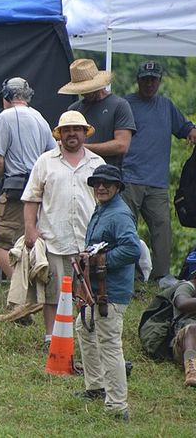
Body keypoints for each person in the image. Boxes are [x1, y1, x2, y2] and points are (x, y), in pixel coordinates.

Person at [22, 111, 104, 349]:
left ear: (84, 133)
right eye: (66, 130)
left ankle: (84, 337)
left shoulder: (97, 163)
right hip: (54, 238)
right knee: (53, 292)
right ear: (59, 134)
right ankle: (51, 338)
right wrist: (30, 228)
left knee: (87, 292)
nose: (71, 134)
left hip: (88, 240)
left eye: (76, 129)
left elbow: (105, 201)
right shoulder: (45, 161)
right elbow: (32, 198)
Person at [74, 165, 140, 421]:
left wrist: (101, 261)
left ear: (118, 187)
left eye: (107, 183)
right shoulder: (102, 209)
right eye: (97, 182)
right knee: (84, 328)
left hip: (109, 292)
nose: (101, 187)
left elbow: (132, 249)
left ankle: (117, 406)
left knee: (110, 345)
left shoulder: (119, 214)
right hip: (97, 289)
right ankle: (96, 386)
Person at [122, 61, 196, 285]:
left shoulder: (166, 105)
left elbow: (184, 128)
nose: (149, 83)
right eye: (145, 79)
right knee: (126, 227)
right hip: (128, 177)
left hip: (157, 180)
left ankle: (161, 276)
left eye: (153, 79)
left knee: (162, 228)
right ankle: (130, 276)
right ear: (138, 80)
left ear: (160, 81)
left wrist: (192, 131)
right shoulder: (126, 103)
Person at [0, 77, 56, 280]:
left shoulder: (6, 116)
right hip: (38, 191)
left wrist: (1, 178)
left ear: (7, 96)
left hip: (16, 188)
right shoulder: (40, 118)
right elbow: (53, 154)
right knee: (25, 241)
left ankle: (22, 286)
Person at [58, 58, 135, 168]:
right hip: (77, 171)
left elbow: (121, 145)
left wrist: (82, 147)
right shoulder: (74, 109)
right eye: (81, 89)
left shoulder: (119, 105)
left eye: (88, 88)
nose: (84, 93)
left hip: (108, 174)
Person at [171, 258, 196, 387]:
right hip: (183, 344)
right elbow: (182, 303)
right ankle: (192, 372)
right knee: (192, 328)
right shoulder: (186, 287)